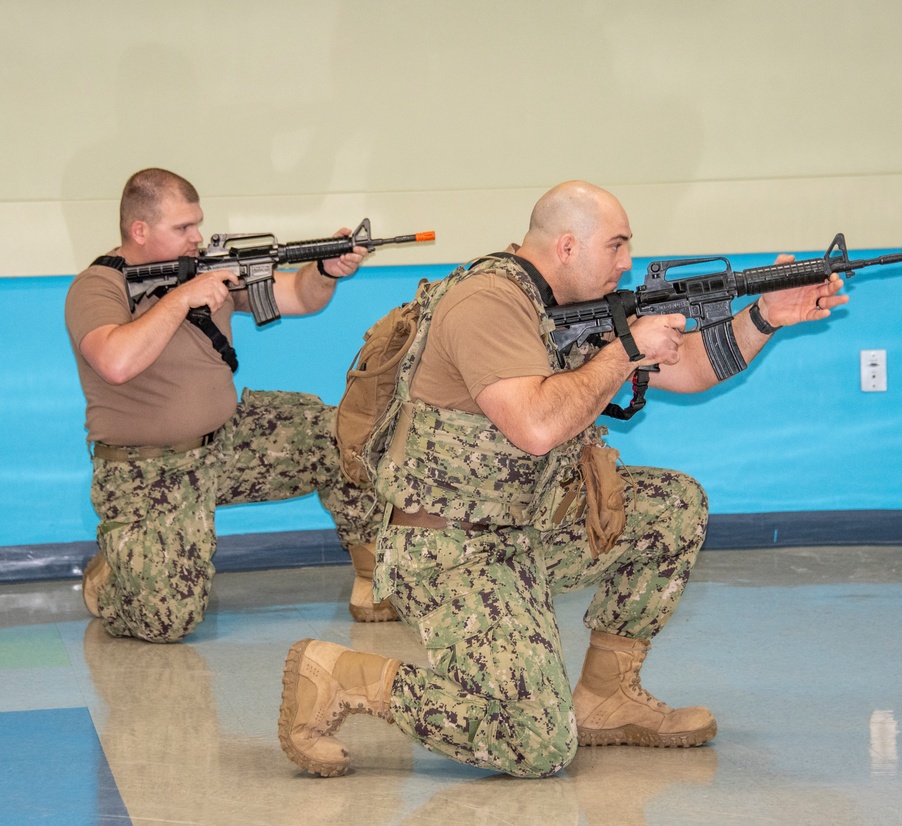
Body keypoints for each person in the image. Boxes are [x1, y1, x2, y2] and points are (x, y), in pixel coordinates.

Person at [276, 181, 849, 777]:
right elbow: (537, 426)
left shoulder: (573, 306)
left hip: (530, 529)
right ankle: (345, 676)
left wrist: (765, 315)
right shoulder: (487, 303)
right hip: (451, 550)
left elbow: (693, 368)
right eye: (617, 245)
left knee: (672, 505)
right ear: (568, 247)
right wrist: (625, 351)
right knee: (538, 744)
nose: (627, 262)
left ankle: (606, 697)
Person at [66, 167, 395, 643]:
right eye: (183, 227)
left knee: (340, 434)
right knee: (167, 623)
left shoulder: (203, 270)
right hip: (148, 470)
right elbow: (114, 362)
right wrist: (181, 299)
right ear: (140, 230)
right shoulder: (98, 286)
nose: (196, 237)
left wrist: (324, 271)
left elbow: (298, 296)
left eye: (197, 224)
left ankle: (374, 576)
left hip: (226, 443)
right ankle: (117, 574)